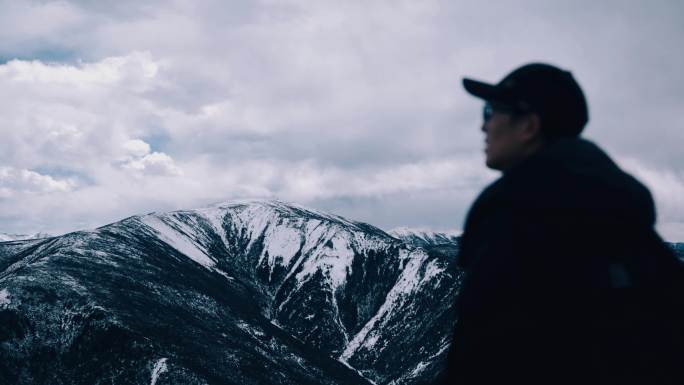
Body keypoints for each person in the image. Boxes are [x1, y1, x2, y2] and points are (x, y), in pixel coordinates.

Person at [435, 63, 684, 384]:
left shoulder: (514, 216)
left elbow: (481, 357)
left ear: (528, 126)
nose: (483, 126)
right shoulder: (624, 218)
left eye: (490, 111)